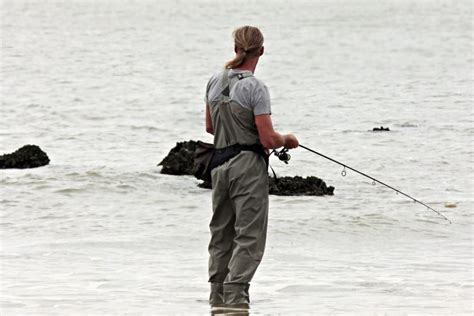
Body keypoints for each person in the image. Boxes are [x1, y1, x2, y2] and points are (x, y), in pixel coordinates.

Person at [204, 26, 299, 311]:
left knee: (221, 233)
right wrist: (288, 140)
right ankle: (235, 297)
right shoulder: (255, 87)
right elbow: (268, 139)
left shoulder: (214, 80)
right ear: (261, 51)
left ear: (236, 48)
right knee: (249, 234)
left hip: (218, 165)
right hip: (247, 167)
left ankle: (217, 297)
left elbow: (210, 127)